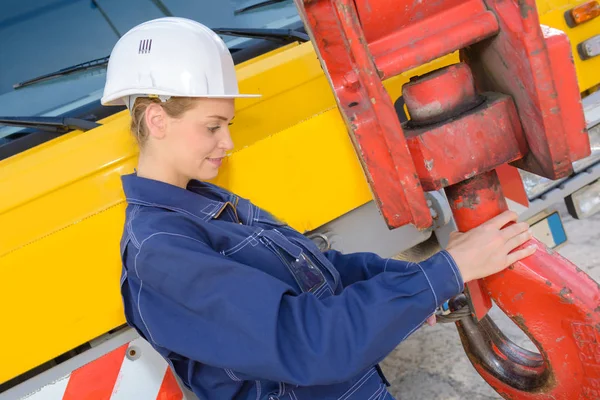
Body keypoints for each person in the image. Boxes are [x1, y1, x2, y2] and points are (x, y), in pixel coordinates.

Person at [101, 17, 536, 400]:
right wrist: (446, 272)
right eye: (212, 127)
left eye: (226, 125)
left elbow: (324, 272)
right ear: (156, 120)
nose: (228, 143)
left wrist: (435, 276)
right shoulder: (160, 253)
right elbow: (309, 343)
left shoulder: (204, 205)